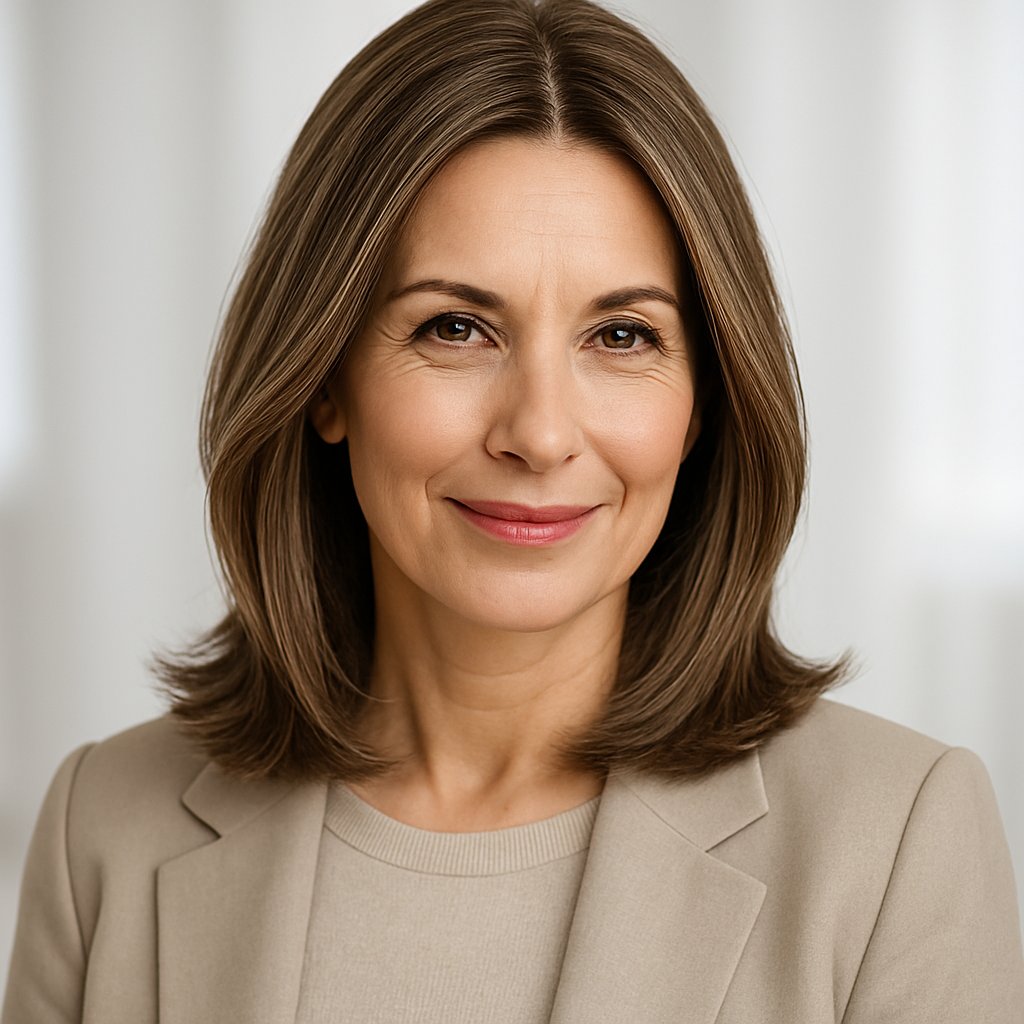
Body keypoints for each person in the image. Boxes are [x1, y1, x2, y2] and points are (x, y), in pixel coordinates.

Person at [4, 0, 1023, 1020]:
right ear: (322, 378)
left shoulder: (895, 839)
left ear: (704, 398)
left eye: (621, 336)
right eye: (455, 327)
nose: (538, 433)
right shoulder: (104, 825)